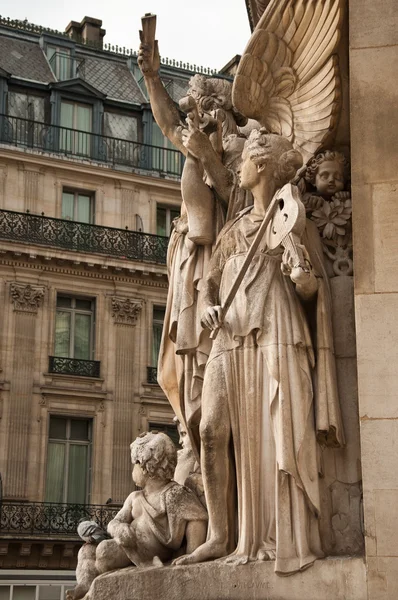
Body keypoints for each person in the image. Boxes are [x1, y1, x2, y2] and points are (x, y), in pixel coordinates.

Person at [174, 129, 344, 575]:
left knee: (277, 434)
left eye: (245, 161)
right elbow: (209, 281)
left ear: (261, 166)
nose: (239, 169)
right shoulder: (233, 229)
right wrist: (209, 305)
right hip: (230, 336)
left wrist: (302, 277)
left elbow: (310, 290)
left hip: (275, 331)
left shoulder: (290, 219)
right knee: (211, 429)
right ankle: (220, 535)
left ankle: (277, 534)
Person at [67, 432, 207, 600]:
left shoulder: (174, 494)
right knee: (86, 550)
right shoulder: (135, 497)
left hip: (148, 553)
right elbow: (115, 521)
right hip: (127, 543)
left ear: (147, 467)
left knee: (104, 551)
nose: (133, 470)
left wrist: (191, 553)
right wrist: (119, 528)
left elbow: (197, 518)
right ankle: (85, 584)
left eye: (135, 465)